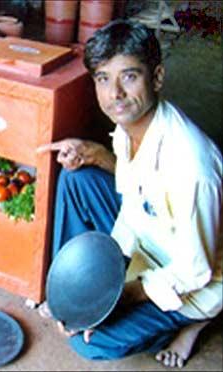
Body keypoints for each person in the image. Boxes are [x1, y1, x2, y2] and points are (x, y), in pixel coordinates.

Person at [37, 19, 222, 369]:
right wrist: (93, 154)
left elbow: (196, 270)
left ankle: (194, 324)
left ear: (157, 78)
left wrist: (121, 297)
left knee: (92, 342)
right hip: (149, 239)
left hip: (193, 280)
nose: (115, 94)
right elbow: (137, 190)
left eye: (129, 76)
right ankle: (75, 289)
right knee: (77, 179)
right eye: (103, 79)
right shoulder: (128, 129)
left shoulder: (192, 166)